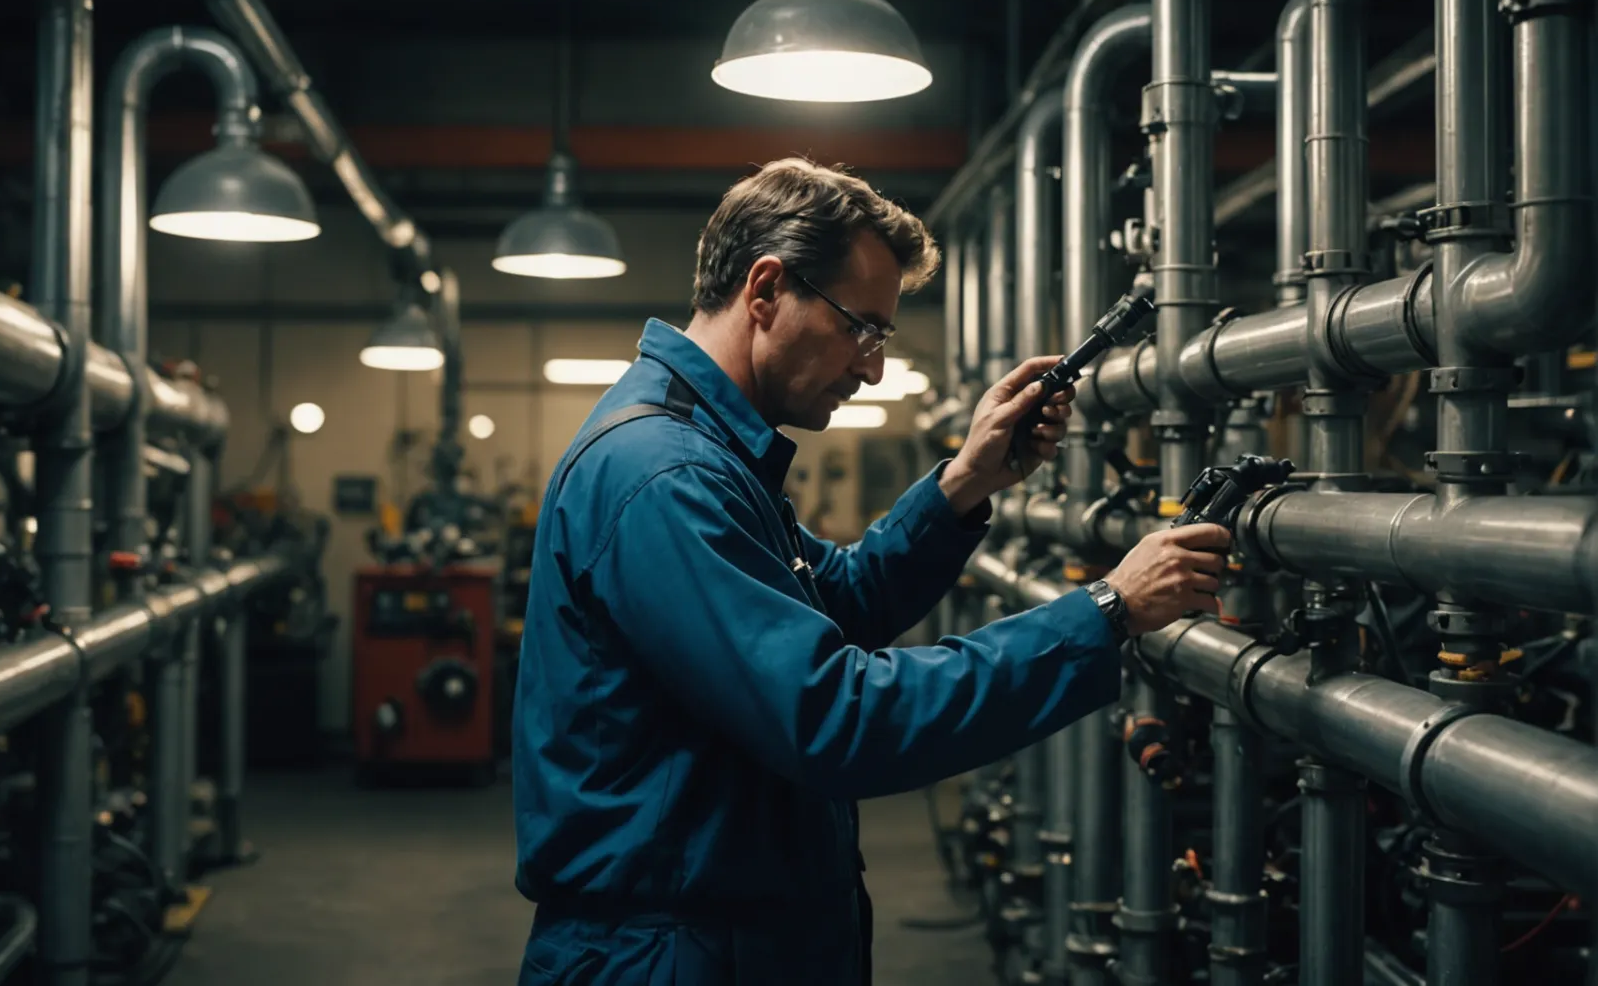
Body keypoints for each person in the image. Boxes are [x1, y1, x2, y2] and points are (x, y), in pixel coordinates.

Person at [512, 158, 1229, 985]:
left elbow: (836, 602)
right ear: (767, 289)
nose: (873, 366)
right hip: (674, 954)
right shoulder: (665, 476)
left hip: (727, 935)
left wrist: (965, 483)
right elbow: (831, 717)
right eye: (863, 327)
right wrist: (1104, 610)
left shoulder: (708, 456)